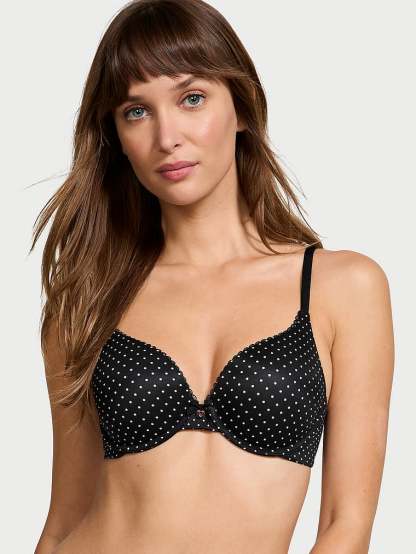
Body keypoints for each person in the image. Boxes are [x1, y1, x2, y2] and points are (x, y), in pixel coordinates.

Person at [33, 1, 394, 553]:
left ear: (242, 108)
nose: (167, 137)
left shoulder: (343, 287)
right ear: (116, 136)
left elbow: (346, 525)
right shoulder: (86, 303)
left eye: (192, 98)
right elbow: (64, 520)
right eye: (136, 111)